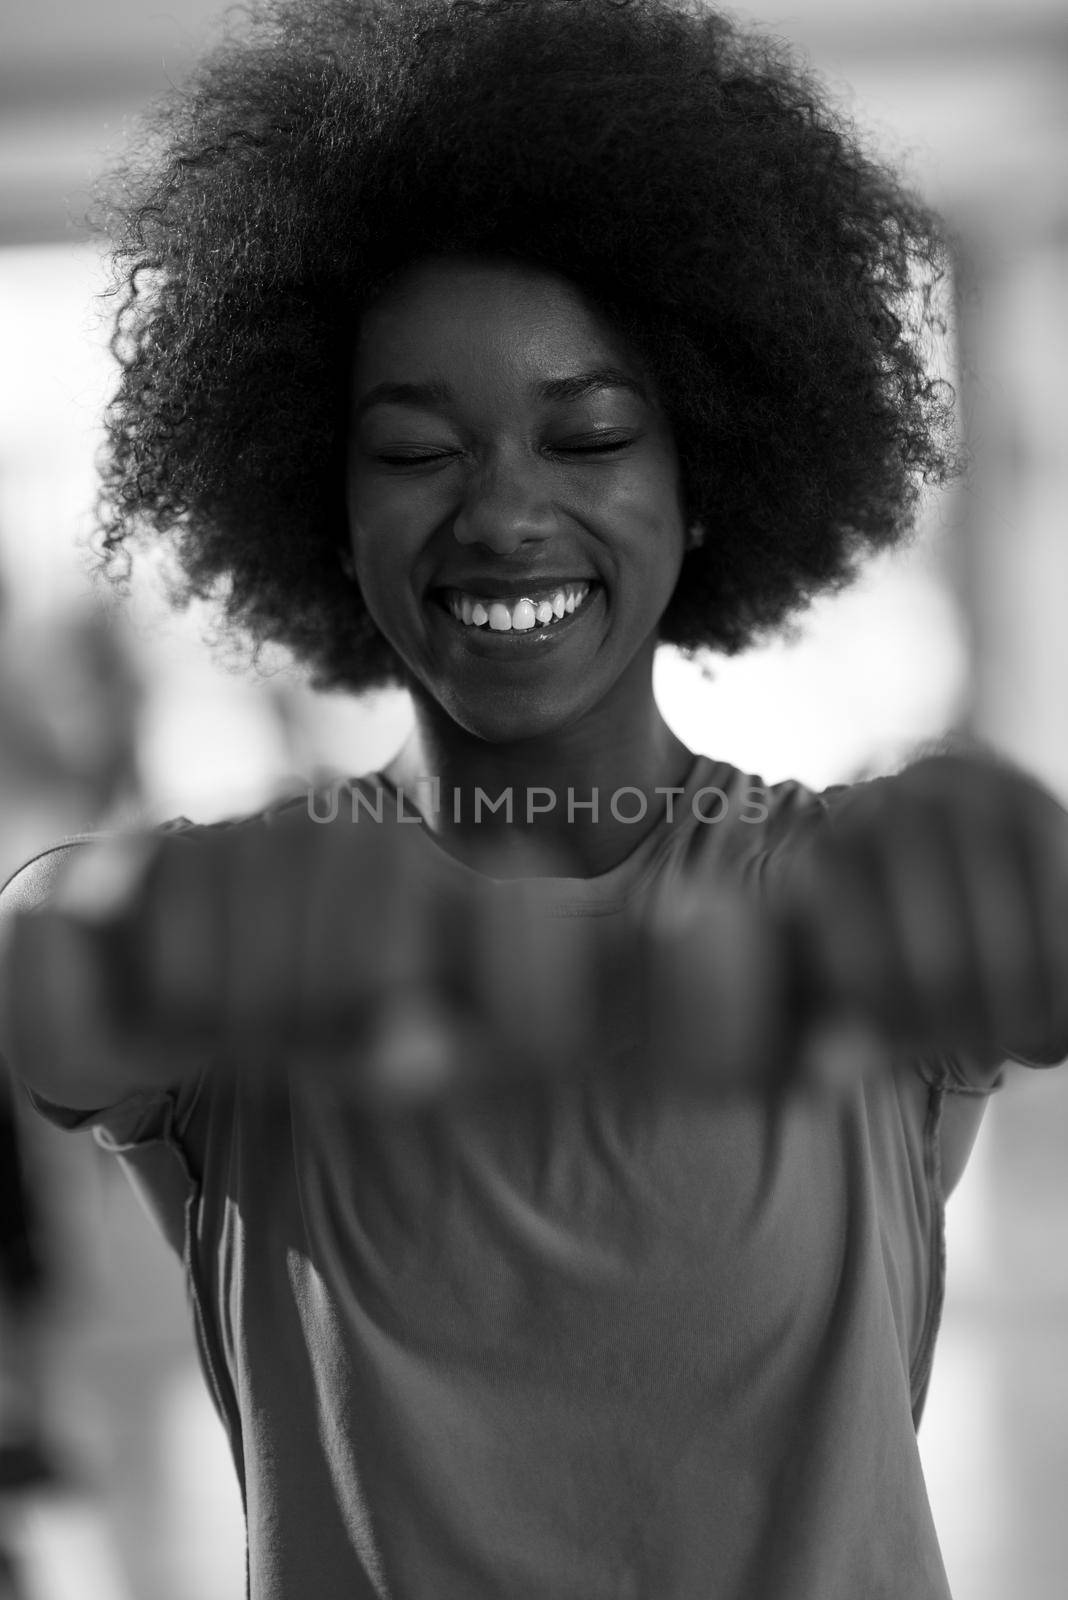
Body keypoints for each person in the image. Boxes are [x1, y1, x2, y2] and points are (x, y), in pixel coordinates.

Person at [0, 2, 1065, 1597]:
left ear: (702, 482)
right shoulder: (229, 948)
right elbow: (45, 981)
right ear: (324, 503)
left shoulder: (851, 900)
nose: (506, 511)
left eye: (592, 435)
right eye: (417, 450)